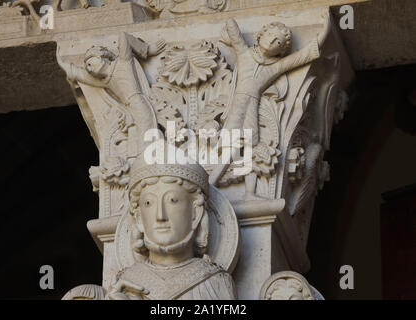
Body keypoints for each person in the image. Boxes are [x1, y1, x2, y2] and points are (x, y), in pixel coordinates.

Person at [210, 13, 331, 186]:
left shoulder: (275, 67)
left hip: (252, 106)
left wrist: (325, 31)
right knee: (230, 145)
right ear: (261, 34)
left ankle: (244, 188)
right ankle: (213, 180)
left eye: (278, 42)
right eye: (270, 35)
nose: (272, 41)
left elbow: (302, 56)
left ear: (281, 51)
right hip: (237, 106)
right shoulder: (244, 53)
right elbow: (233, 28)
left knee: (252, 147)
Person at [107, 152, 237, 300]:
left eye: (172, 200)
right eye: (148, 203)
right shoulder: (124, 283)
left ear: (196, 212)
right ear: (139, 219)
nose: (160, 216)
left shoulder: (214, 282)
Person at [56, 32, 166, 154]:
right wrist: (62, 62)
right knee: (138, 143)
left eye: (89, 62)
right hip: (129, 110)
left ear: (101, 57)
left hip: (138, 104)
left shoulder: (123, 63)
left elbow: (123, 37)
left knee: (146, 140)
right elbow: (80, 75)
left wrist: (146, 50)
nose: (88, 68)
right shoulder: (106, 81)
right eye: (86, 66)